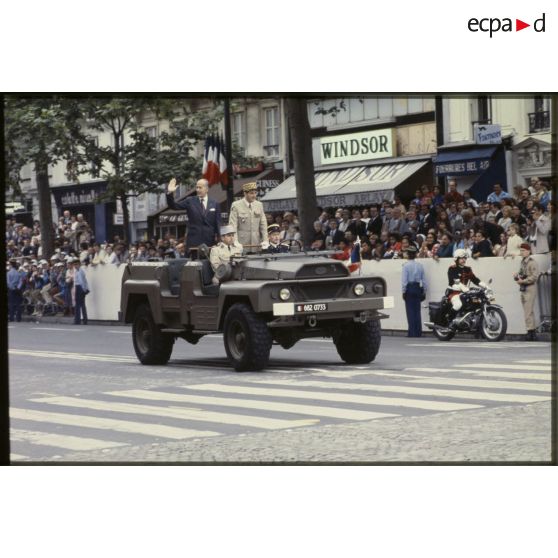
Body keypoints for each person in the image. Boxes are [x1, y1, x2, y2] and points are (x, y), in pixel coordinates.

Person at [166, 177, 221, 252]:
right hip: (193, 242)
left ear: (207, 189)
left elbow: (218, 223)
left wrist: (219, 240)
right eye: (197, 187)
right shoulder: (190, 201)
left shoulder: (215, 203)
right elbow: (174, 206)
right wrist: (170, 193)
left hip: (210, 242)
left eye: (200, 187)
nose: (197, 190)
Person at [446, 249, 486, 328]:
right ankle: (449, 321)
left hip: (465, 293)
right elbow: (455, 281)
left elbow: (475, 279)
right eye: (461, 258)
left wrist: (485, 286)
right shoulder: (452, 268)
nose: (464, 260)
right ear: (456, 259)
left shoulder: (468, 269)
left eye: (465, 258)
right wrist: (464, 288)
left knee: (477, 303)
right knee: (458, 304)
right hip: (454, 292)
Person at [229, 182, 268, 250]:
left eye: (255, 193)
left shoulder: (259, 205)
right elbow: (233, 225)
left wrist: (265, 240)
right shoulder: (236, 205)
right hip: (242, 243)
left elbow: (263, 224)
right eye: (251, 193)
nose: (254, 195)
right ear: (245, 193)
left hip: (256, 242)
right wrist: (235, 241)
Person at [514, 242, 540, 341]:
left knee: (528, 311)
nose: (521, 252)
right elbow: (522, 273)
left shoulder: (532, 262)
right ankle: (532, 332)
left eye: (523, 250)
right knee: (528, 311)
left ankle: (530, 332)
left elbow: (534, 277)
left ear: (528, 251)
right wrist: (517, 275)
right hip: (524, 288)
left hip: (530, 287)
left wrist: (523, 281)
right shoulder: (522, 262)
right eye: (520, 250)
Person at [401, 245, 427, 337]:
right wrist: (424, 291)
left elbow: (404, 281)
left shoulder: (405, 266)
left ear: (408, 254)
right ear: (415, 254)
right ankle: (418, 332)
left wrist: (403, 291)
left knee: (410, 311)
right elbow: (424, 280)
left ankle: (412, 332)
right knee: (417, 311)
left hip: (410, 288)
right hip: (417, 288)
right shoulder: (420, 266)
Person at [72, 258, 89, 325]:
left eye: (76, 264)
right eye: (74, 265)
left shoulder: (80, 271)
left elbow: (82, 282)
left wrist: (84, 290)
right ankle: (83, 320)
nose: (75, 266)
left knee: (79, 305)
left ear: (79, 264)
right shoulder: (77, 271)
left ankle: (78, 321)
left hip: (80, 287)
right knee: (81, 305)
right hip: (78, 287)